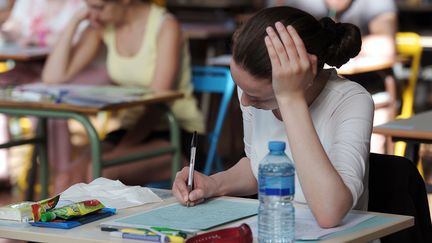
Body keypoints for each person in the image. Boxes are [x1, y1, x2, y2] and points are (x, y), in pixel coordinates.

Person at [173, 6, 374, 228]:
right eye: (243, 90)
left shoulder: (352, 101)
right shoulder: (254, 95)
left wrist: (291, 99)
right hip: (277, 228)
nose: (244, 102)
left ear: (303, 76)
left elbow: (330, 212)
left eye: (255, 95)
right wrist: (213, 183)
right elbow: (257, 166)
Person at [42, 0, 204, 186]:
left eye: (99, 7)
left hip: (175, 132)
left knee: (99, 172)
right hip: (128, 130)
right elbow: (53, 76)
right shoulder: (103, 27)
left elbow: (157, 106)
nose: (92, 15)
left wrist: (118, 152)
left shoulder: (165, 27)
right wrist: (75, 21)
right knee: (66, 177)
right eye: (88, 7)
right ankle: (54, 216)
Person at [266, 0, 397, 154]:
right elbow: (270, 30)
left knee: (369, 150)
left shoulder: (375, 3)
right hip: (303, 85)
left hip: (367, 85)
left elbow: (386, 44)